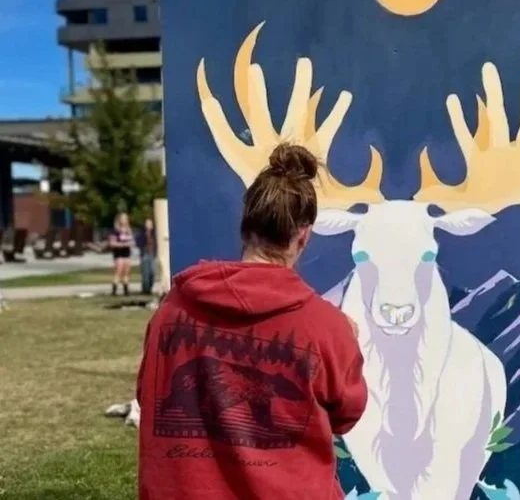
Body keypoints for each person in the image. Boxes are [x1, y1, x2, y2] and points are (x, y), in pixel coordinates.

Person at [137, 143, 367, 500]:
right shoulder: (327, 327)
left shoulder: (171, 311)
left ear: (246, 228)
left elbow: (148, 396)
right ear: (303, 236)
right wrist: (347, 346)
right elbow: (346, 415)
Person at [109, 212, 135, 296]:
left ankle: (126, 290)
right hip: (119, 254)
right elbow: (112, 243)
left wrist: (130, 243)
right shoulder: (115, 231)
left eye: (126, 218)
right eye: (123, 218)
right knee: (119, 271)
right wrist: (123, 245)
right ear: (119, 220)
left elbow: (132, 241)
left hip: (127, 253)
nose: (125, 220)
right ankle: (114, 290)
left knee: (126, 271)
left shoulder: (129, 230)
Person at [136, 217, 157, 296]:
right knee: (145, 273)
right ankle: (145, 290)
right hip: (145, 254)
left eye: (150, 223)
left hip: (152, 254)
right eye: (147, 223)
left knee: (152, 272)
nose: (148, 225)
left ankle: (149, 288)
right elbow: (139, 243)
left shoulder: (154, 233)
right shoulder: (142, 233)